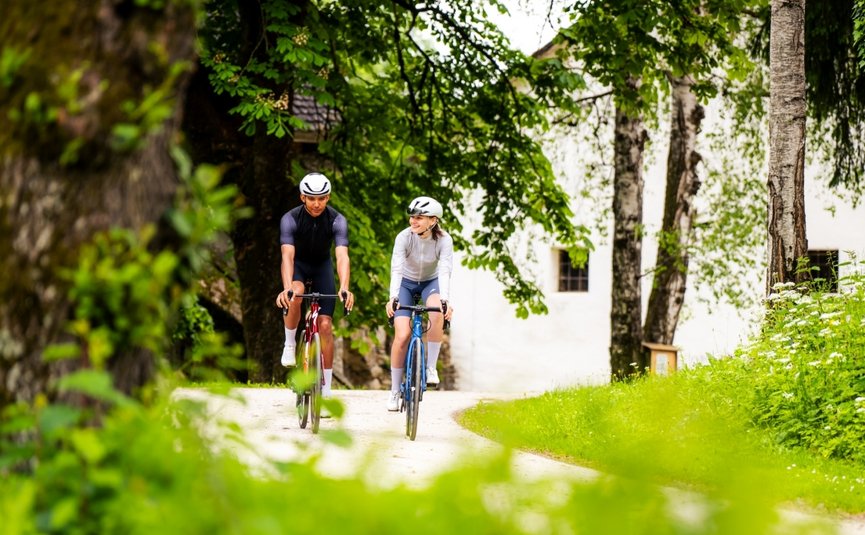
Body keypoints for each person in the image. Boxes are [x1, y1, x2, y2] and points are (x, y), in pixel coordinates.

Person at [275, 172, 354, 412]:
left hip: (321, 268)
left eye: (321, 198)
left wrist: (344, 287)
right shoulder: (290, 219)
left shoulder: (337, 220)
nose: (316, 204)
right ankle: (289, 344)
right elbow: (287, 256)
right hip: (299, 266)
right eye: (311, 198)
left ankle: (327, 390)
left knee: (326, 325)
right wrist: (287, 287)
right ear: (302, 197)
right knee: (296, 294)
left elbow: (342, 256)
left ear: (328, 197)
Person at [384, 196, 454, 411]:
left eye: (419, 217)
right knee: (402, 335)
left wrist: (445, 301)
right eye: (412, 217)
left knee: (437, 313)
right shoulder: (404, 237)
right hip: (405, 283)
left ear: (433, 221)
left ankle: (431, 368)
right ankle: (395, 391)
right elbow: (396, 268)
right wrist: (393, 297)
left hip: (430, 283)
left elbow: (444, 270)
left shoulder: (444, 240)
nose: (413, 221)